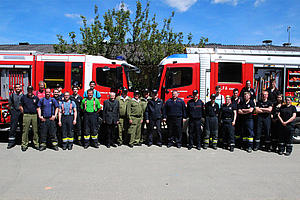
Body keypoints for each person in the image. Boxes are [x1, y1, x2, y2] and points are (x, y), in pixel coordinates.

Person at [19, 86, 39, 151]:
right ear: (27, 90)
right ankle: (24, 144)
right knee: (25, 130)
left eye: (31, 90)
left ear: (33, 90)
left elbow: (38, 107)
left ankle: (36, 143)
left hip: (34, 115)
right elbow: (20, 106)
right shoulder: (24, 97)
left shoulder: (36, 98)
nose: (30, 91)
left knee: (35, 130)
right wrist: (24, 112)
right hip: (26, 115)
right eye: (28, 90)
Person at [7, 83, 23, 149]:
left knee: (23, 127)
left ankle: (23, 142)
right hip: (15, 113)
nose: (18, 88)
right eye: (16, 87)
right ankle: (11, 142)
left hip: (22, 113)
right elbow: (9, 104)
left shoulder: (23, 96)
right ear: (15, 88)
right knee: (13, 128)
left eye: (19, 87)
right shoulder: (12, 95)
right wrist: (12, 111)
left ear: (21, 88)